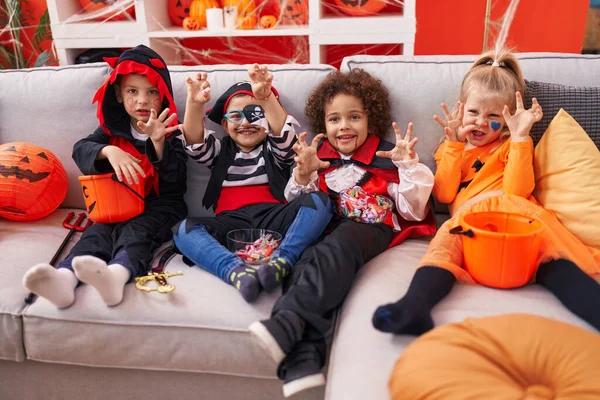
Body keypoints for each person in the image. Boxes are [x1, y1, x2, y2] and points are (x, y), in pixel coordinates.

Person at [372, 48, 600, 336]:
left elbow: (518, 190)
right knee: (443, 248)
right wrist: (454, 147)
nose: (481, 121)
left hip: (515, 215)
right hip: (470, 223)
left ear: (506, 122)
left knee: (550, 260)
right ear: (461, 109)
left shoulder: (510, 146)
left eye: (493, 116)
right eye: (473, 112)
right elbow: (443, 195)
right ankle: (413, 307)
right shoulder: (450, 149)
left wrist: (519, 138)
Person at [247, 68, 437, 397]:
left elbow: (413, 211)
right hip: (327, 229)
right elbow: (295, 205)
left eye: (353, 117)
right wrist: (303, 175)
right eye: (334, 119)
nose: (344, 126)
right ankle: (304, 360)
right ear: (324, 125)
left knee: (339, 244)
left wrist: (407, 167)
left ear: (370, 119)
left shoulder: (387, 157)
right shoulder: (318, 157)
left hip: (370, 228)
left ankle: (287, 321)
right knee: (307, 260)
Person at [23, 44, 188, 308]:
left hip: (158, 207)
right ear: (119, 95)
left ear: (163, 96)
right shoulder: (110, 130)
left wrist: (159, 143)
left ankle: (118, 275)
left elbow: (176, 182)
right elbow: (80, 149)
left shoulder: (170, 132)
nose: (143, 100)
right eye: (132, 91)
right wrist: (108, 151)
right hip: (117, 204)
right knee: (95, 233)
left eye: (152, 92)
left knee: (136, 233)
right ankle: (64, 280)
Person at [172, 64, 333, 303]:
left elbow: (283, 137)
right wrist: (195, 104)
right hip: (230, 222)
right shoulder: (219, 150)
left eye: (256, 114)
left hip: (273, 218)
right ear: (225, 126)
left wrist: (267, 98)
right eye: (237, 116)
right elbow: (195, 141)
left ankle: (282, 260)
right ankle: (235, 271)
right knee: (182, 230)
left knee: (320, 201)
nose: (246, 122)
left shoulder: (274, 149)